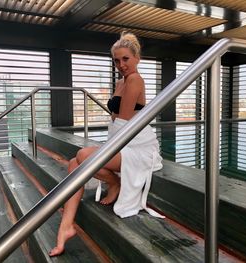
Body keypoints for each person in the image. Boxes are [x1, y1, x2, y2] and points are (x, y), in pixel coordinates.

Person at [49, 32, 163, 257]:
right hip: (121, 142)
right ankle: (66, 226)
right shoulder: (121, 81)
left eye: (126, 59)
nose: (121, 65)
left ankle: (114, 183)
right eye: (116, 60)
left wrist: (106, 150)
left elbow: (124, 122)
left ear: (137, 57)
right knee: (74, 163)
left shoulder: (135, 79)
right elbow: (116, 119)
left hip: (137, 146)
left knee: (83, 155)